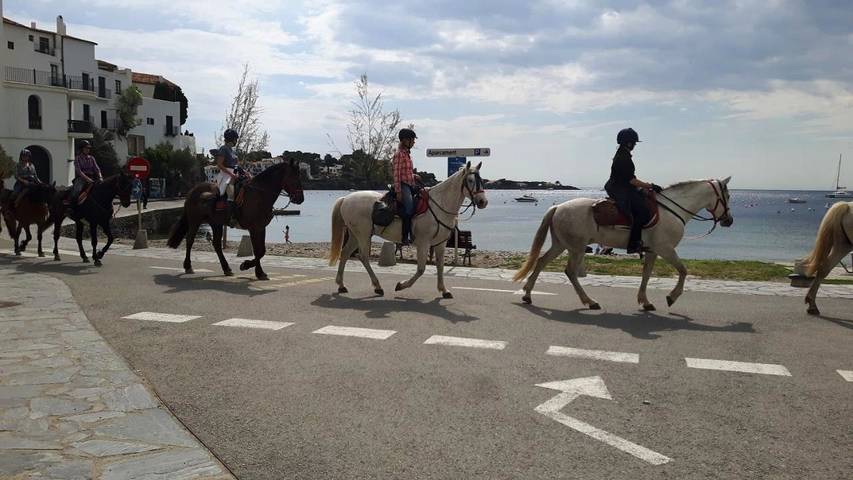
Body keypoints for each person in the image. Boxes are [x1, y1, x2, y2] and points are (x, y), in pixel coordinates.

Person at [604, 128, 662, 254]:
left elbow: (630, 178)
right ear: (628, 143)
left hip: (623, 187)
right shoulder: (623, 157)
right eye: (634, 142)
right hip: (620, 189)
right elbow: (631, 180)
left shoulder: (623, 155)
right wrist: (650, 185)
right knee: (643, 213)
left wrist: (643, 188)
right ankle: (633, 244)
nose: (635, 145)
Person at [392, 128, 421, 245]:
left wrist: (414, 176)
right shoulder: (399, 155)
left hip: (410, 184)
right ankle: (405, 236)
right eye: (412, 140)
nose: (414, 142)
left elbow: (406, 172)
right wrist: (398, 191)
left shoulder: (408, 155)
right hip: (403, 186)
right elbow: (396, 174)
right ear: (405, 140)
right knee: (409, 208)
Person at [69, 140, 102, 206]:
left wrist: (100, 177)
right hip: (81, 178)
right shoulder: (77, 158)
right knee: (76, 191)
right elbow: (79, 171)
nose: (88, 150)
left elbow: (97, 169)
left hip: (92, 177)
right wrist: (87, 179)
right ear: (81, 149)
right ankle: (71, 207)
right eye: (86, 148)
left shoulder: (92, 158)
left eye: (89, 148)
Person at [215, 128, 240, 214]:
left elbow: (236, 165)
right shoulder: (223, 149)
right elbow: (219, 164)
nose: (236, 141)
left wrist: (244, 172)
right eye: (235, 139)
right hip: (226, 174)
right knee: (230, 191)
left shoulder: (233, 151)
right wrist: (231, 174)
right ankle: (229, 215)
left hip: (234, 173)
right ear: (232, 139)